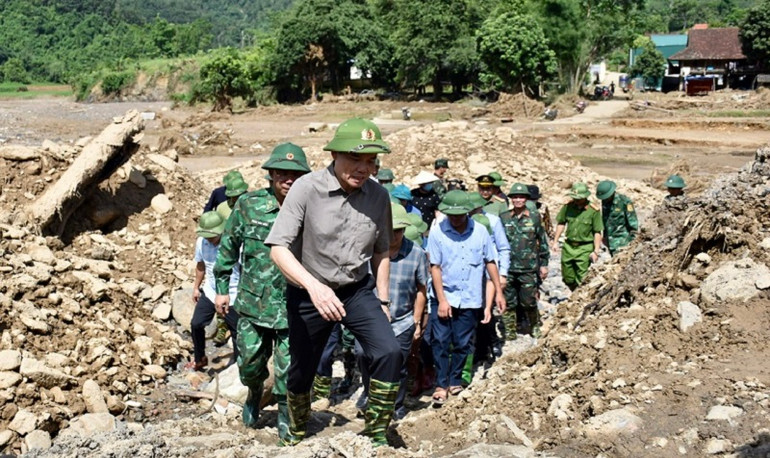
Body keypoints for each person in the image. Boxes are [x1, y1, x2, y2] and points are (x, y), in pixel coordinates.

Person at [265, 118, 402, 448]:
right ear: (335, 155)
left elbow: (381, 249)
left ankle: (375, 436)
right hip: (308, 292)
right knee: (303, 370)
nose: (363, 168)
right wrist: (314, 286)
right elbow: (278, 249)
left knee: (390, 351)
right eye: (355, 159)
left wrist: (382, 299)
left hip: (356, 290)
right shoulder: (306, 188)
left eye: (370, 161)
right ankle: (296, 431)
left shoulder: (379, 196)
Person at [213, 143, 311, 436]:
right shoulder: (249, 205)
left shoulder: (311, 208)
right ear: (270, 174)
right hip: (253, 305)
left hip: (293, 306)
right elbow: (228, 246)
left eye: (296, 173)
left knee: (287, 370)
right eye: (282, 172)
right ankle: (255, 392)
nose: (289, 179)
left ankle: (283, 412)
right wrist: (221, 288)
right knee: (249, 365)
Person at [427, 190, 505, 406]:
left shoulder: (480, 232)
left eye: (460, 215)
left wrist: (498, 291)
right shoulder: (438, 232)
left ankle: (455, 379)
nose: (456, 219)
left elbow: (491, 261)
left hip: (470, 297)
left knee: (462, 342)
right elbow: (435, 267)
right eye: (452, 215)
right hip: (444, 295)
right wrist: (442, 300)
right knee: (440, 341)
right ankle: (441, 384)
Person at [355, 204, 428, 421]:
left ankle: (395, 404)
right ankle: (370, 393)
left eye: (398, 230)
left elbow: (422, 289)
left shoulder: (416, 254)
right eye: (390, 230)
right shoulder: (369, 251)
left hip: (402, 320)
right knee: (363, 355)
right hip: (371, 319)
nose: (394, 235)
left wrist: (416, 321)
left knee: (398, 363)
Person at [188, 211, 240, 371]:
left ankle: (238, 365)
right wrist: (196, 287)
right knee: (196, 324)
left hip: (233, 294)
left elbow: (245, 269)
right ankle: (200, 358)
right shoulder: (201, 242)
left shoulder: (235, 243)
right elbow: (201, 265)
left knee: (238, 331)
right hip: (211, 291)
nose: (209, 239)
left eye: (212, 235)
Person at [503, 183, 549, 338]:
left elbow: (542, 241)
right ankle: (510, 330)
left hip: (528, 267)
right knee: (509, 301)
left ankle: (534, 325)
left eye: (521, 197)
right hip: (508, 268)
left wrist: (544, 264)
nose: (518, 200)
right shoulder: (503, 218)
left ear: (526, 199)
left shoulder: (535, 218)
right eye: (515, 197)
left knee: (529, 301)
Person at [468, 192, 510, 359]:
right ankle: (477, 349)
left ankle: (491, 343)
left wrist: (502, 274)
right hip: (471, 273)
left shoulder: (493, 221)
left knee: (487, 310)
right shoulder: (464, 223)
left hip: (490, 274)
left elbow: (503, 248)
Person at [552, 183, 603, 291]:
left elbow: (597, 231)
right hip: (568, 247)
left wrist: (596, 251)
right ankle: (575, 292)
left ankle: (579, 298)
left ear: (585, 197)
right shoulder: (568, 207)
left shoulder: (593, 211)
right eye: (574, 198)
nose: (576, 201)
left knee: (582, 277)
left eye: (579, 199)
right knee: (567, 277)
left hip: (584, 247)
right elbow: (561, 223)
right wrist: (555, 241)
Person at [596, 180, 638, 256]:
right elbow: (605, 220)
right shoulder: (604, 202)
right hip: (610, 243)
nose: (605, 199)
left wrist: (632, 243)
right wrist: (605, 237)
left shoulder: (624, 201)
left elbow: (633, 224)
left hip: (623, 243)